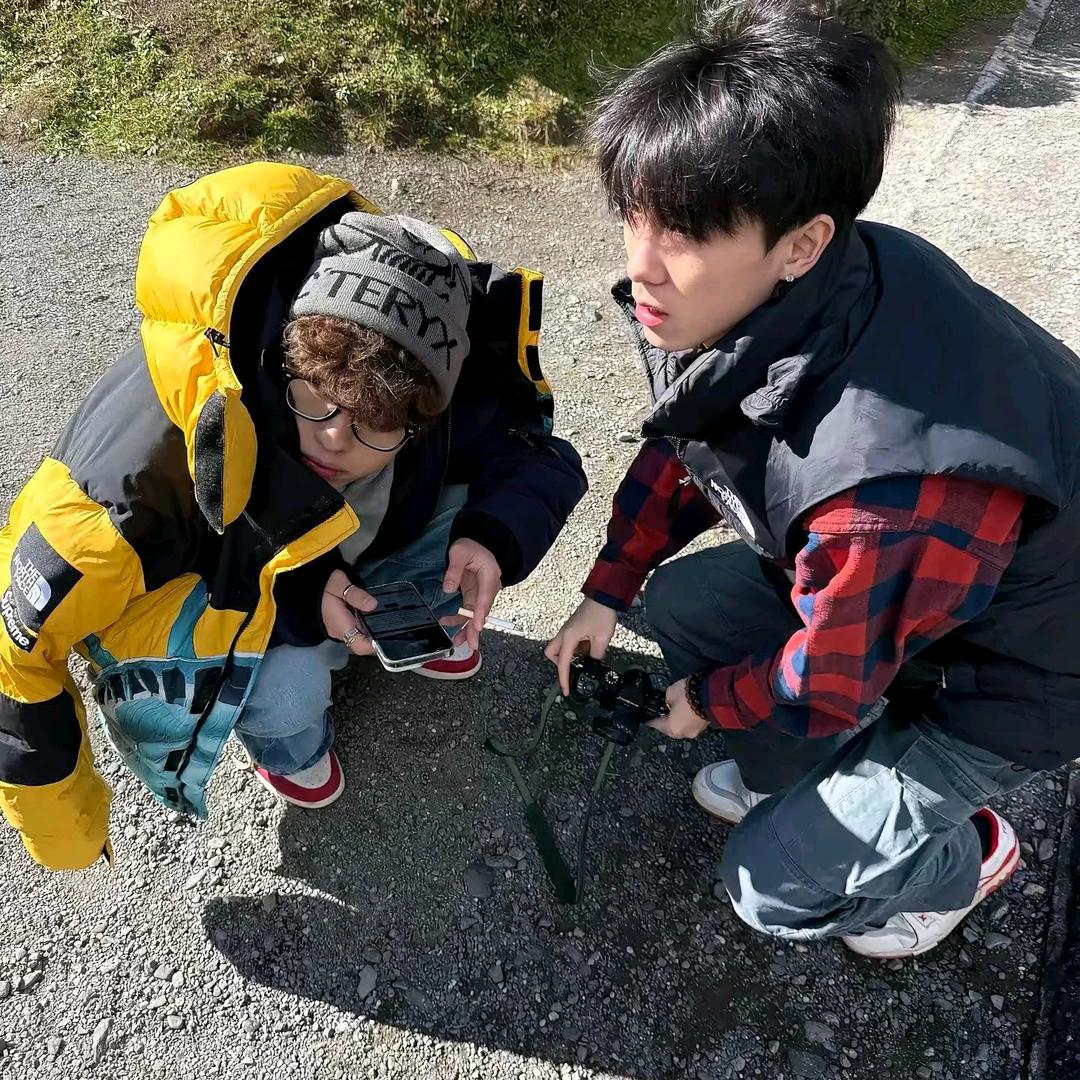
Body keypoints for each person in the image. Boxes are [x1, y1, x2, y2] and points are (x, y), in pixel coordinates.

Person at [546, 0, 1080, 959]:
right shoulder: (812, 278)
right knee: (681, 604)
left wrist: (708, 703)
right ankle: (803, 782)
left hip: (1023, 674)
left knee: (768, 886)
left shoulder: (884, 490)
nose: (641, 267)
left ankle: (960, 859)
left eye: (686, 233)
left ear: (801, 241)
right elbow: (693, 432)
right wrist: (606, 589)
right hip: (928, 593)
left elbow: (827, 673)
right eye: (634, 216)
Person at [0, 161, 586, 870]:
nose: (335, 437)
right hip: (226, 598)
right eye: (317, 399)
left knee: (476, 513)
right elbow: (14, 659)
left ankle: (413, 625)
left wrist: (490, 541)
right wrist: (70, 841)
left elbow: (541, 457)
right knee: (284, 692)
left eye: (374, 424)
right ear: (287, 355)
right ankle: (290, 748)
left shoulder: (429, 373)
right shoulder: (130, 481)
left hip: (334, 559)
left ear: (424, 415)